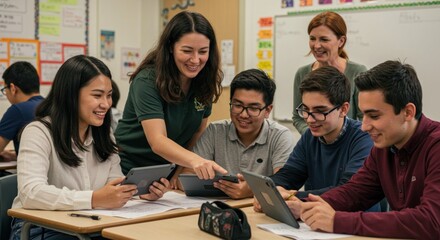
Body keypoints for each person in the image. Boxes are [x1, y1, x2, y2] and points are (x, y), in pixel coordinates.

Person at [10, 55, 169, 239]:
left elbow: (114, 183)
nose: (106, 104)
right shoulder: (38, 132)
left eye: (109, 95)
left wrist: (137, 193)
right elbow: (31, 193)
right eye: (97, 95)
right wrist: (93, 199)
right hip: (39, 228)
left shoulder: (103, 134)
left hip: (90, 225)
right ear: (70, 95)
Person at [286, 61, 440, 239]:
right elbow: (354, 193)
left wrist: (337, 221)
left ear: (407, 112)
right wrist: (303, 205)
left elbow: (431, 221)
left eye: (374, 116)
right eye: (363, 114)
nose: (364, 126)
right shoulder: (385, 146)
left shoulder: (435, 146)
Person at [115, 11, 227, 181]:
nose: (195, 60)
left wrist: (179, 171)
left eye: (203, 51)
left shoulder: (204, 80)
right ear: (170, 48)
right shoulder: (147, 81)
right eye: (187, 51)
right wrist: (196, 161)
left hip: (169, 168)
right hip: (131, 168)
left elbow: (198, 131)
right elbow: (158, 141)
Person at [257, 66, 374, 202]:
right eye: (305, 110)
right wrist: (269, 190)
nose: (310, 119)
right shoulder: (310, 136)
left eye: (320, 111)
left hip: (353, 219)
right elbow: (289, 175)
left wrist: (290, 196)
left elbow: (348, 191)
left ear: (343, 109)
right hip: (314, 219)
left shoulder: (364, 138)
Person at [188, 69, 294, 199]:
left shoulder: (280, 136)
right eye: (237, 105)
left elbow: (285, 184)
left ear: (267, 110)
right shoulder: (215, 131)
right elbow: (187, 176)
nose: (243, 114)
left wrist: (251, 189)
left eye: (253, 108)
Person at [292, 11, 367, 134]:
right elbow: (297, 117)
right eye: (312, 39)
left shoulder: (357, 72)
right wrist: (314, 137)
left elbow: (364, 117)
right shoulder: (302, 73)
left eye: (324, 39)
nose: (316, 46)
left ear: (341, 41)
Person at [0, 61, 44, 163]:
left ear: (12, 88)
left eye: (4, 90)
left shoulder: (18, 110)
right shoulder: (51, 105)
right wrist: (14, 156)